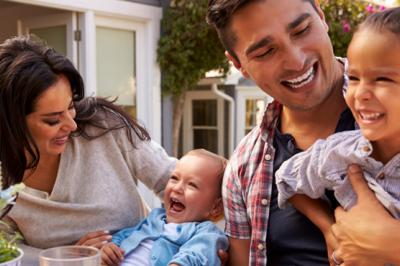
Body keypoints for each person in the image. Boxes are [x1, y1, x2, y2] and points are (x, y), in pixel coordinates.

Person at [206, 0, 400, 265]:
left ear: (320, 16)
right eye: (265, 52)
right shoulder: (242, 168)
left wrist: (392, 245)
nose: (296, 61)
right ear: (239, 65)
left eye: (301, 31)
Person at [0, 35, 176, 259]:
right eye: (53, 120)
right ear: (11, 124)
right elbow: (9, 254)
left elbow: (175, 182)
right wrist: (71, 257)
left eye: (71, 106)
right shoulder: (3, 185)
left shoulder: (105, 126)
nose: (71, 125)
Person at [276, 8, 400, 266]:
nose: (360, 93)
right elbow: (287, 179)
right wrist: (329, 229)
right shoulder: (340, 153)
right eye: (353, 77)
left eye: (383, 79)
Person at [101, 149, 229, 266]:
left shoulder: (207, 232)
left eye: (192, 185)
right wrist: (111, 247)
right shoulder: (154, 218)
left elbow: (197, 254)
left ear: (216, 207)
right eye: (174, 178)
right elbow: (127, 234)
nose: (177, 188)